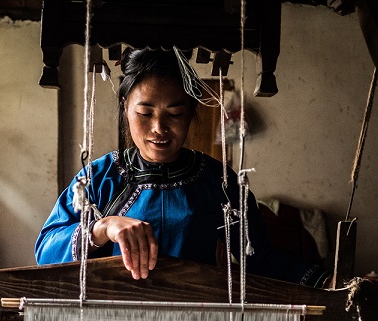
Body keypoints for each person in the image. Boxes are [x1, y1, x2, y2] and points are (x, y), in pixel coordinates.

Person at [35, 47, 330, 287]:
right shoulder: (100, 178)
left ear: (191, 112)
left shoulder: (220, 182)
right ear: (125, 107)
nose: (159, 128)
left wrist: (325, 281)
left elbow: (260, 258)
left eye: (174, 113)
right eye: (145, 112)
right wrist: (103, 227)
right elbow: (46, 252)